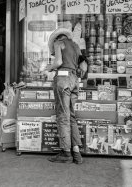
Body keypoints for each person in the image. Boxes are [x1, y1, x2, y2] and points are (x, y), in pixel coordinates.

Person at [46, 27, 87, 164]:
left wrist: (49, 68)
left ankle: (65, 153)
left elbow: (57, 62)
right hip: (75, 80)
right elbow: (84, 67)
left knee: (63, 116)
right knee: (71, 116)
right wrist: (75, 74)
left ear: (57, 38)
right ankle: (76, 153)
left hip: (63, 79)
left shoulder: (59, 44)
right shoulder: (75, 45)